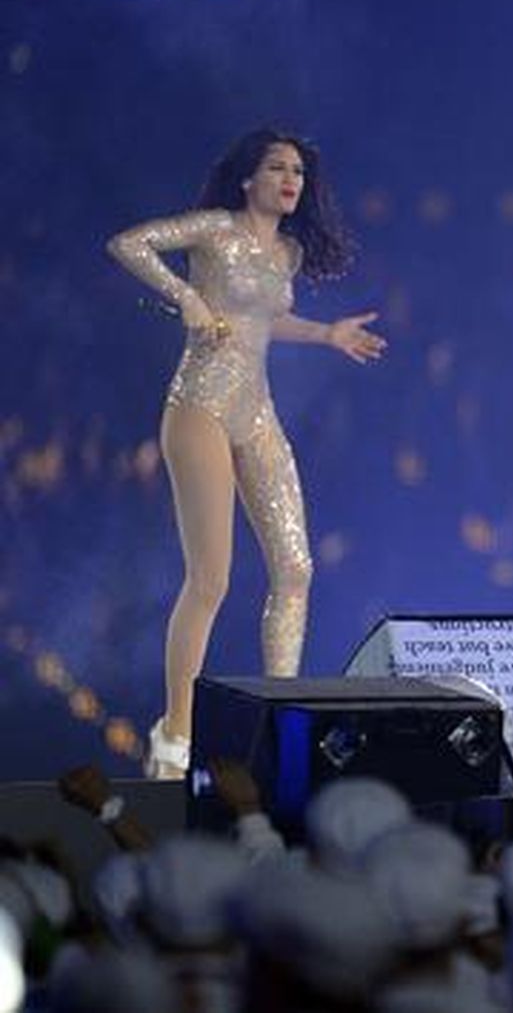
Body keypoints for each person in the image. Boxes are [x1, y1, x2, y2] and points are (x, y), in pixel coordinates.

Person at [107, 128, 386, 779]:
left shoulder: (286, 252)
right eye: (277, 167)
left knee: (295, 568)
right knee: (211, 579)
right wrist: (188, 297)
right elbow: (127, 243)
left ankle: (280, 722)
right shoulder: (213, 227)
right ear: (247, 178)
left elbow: (265, 322)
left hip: (254, 412)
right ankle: (174, 736)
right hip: (198, 406)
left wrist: (326, 333)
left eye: (298, 171)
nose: (291, 179)